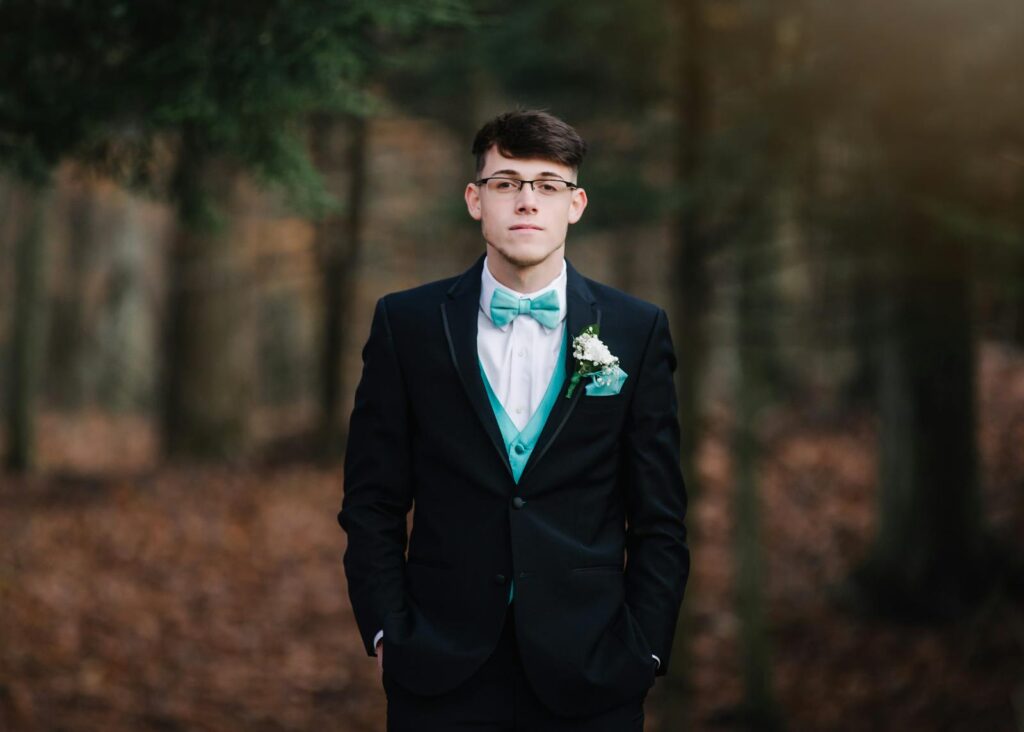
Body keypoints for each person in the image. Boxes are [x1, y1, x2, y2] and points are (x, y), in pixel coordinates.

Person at [338, 109, 689, 731]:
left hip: (594, 669)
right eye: (506, 183)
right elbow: (372, 499)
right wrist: (389, 629)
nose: (527, 201)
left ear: (575, 204)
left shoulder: (637, 330)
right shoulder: (408, 323)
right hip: (439, 668)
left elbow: (659, 514)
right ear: (476, 199)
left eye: (547, 185)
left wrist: (647, 647)